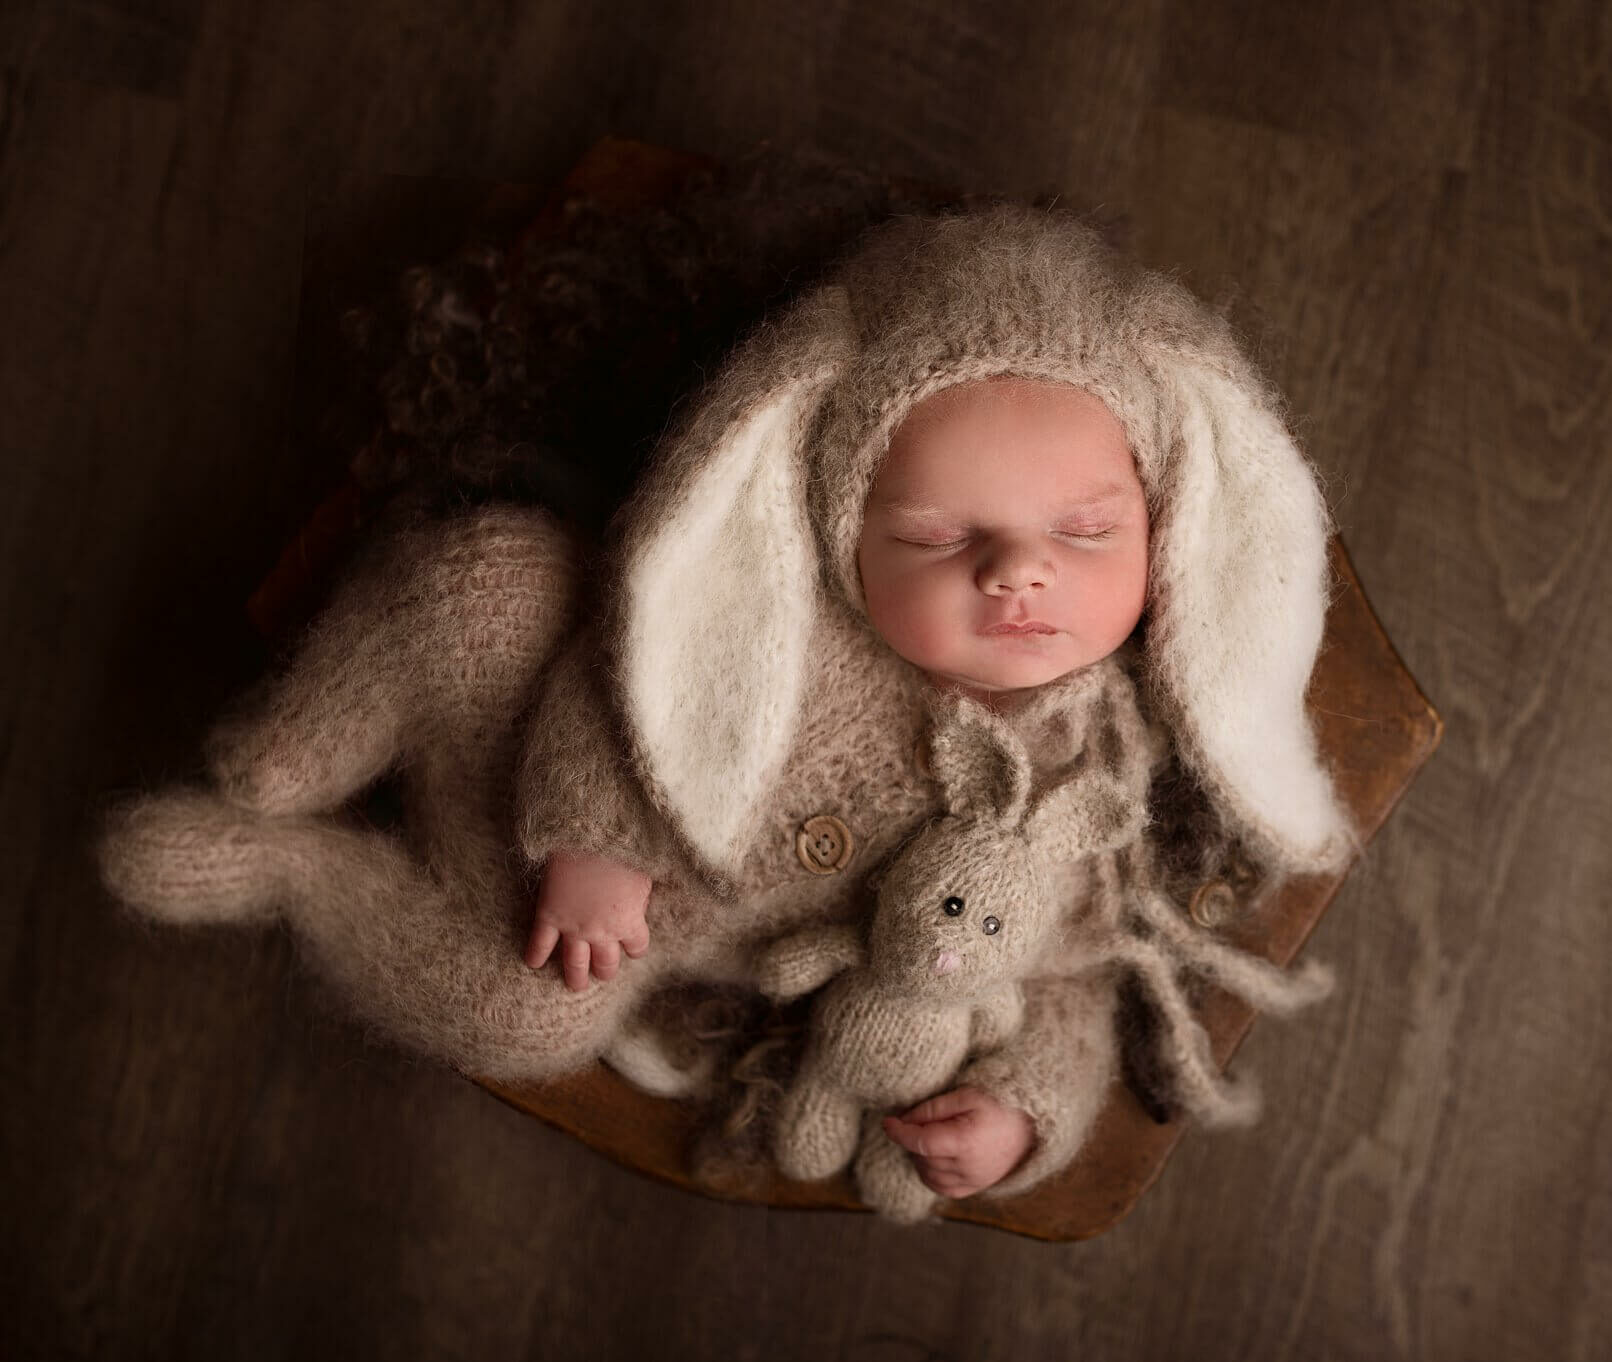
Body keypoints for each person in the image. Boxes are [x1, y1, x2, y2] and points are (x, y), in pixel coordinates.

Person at [100, 206, 1351, 1208]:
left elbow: (1069, 977)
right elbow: (633, 678)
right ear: (837, 526)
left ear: (1169, 531)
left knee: (523, 1013)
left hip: (610, 938)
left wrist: (1024, 1110)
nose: (1018, 574)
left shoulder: (1095, 783)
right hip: (551, 762)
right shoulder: (776, 611)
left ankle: (293, 870)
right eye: (936, 534)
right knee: (498, 588)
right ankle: (290, 751)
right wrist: (605, 842)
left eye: (1084, 532)